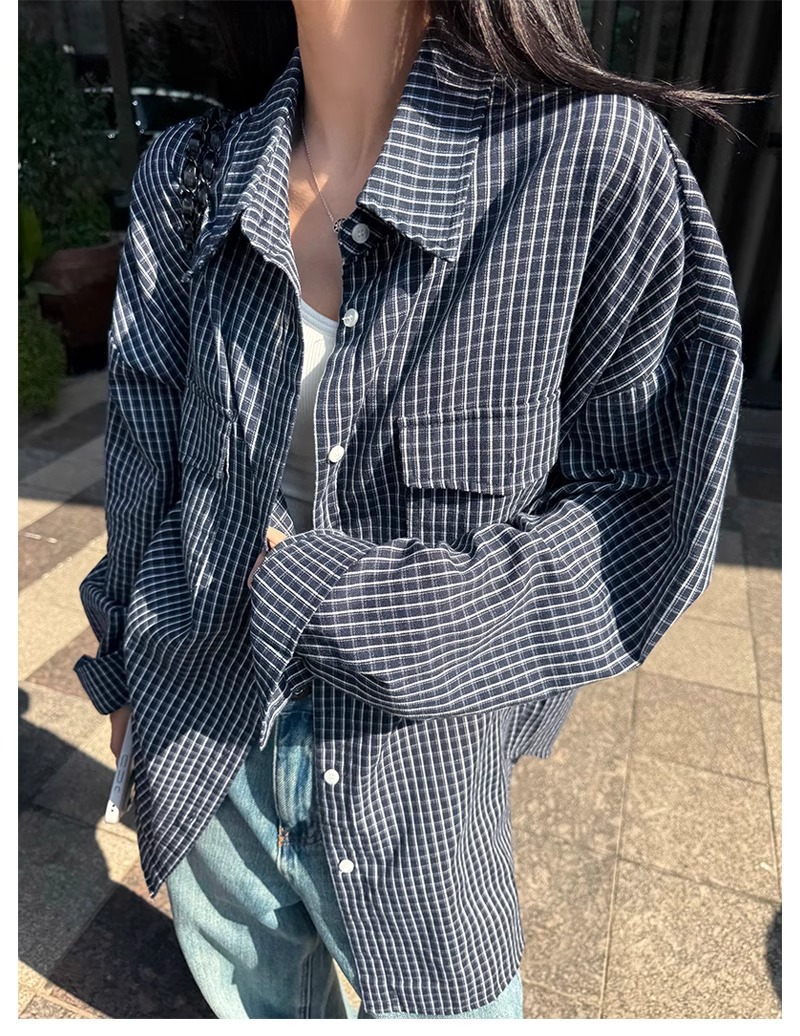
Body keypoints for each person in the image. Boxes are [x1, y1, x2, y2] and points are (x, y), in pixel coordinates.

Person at [74, 0, 761, 1020]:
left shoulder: (586, 163)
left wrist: (355, 604)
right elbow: (143, 451)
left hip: (420, 787)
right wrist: (125, 684)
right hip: (201, 749)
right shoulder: (189, 175)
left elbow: (643, 521)